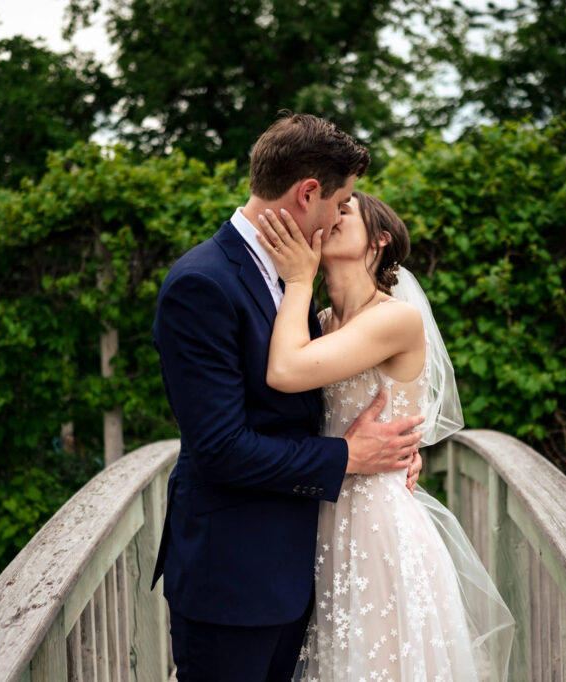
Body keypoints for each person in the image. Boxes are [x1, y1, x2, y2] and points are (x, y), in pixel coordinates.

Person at [151, 113, 427, 682]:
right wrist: (349, 457)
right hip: (232, 581)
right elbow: (221, 447)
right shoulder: (202, 283)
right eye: (341, 201)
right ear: (308, 193)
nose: (337, 216)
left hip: (313, 567)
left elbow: (314, 403)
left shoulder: (296, 276)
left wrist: (395, 449)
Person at [253, 193, 515, 681]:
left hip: (378, 526)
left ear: (379, 240)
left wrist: (296, 279)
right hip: (321, 517)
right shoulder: (319, 325)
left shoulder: (396, 319)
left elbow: (287, 371)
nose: (329, 217)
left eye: (344, 211)